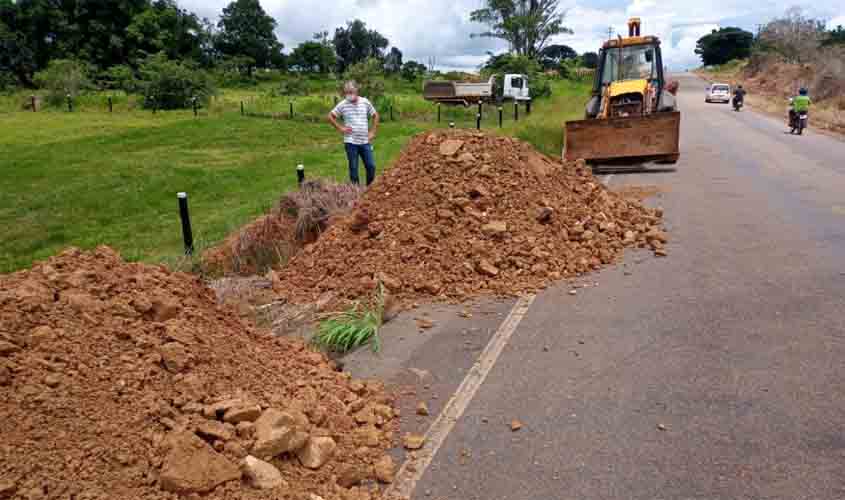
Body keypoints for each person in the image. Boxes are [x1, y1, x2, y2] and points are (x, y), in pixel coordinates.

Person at [328, 81, 380, 186]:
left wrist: (373, 131)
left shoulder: (365, 102)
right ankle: (355, 192)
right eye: (347, 92)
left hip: (365, 141)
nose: (349, 94)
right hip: (350, 142)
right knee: (354, 170)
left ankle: (369, 189)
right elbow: (330, 116)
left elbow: (375, 115)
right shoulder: (343, 104)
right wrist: (341, 128)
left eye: (351, 92)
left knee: (371, 166)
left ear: (357, 90)